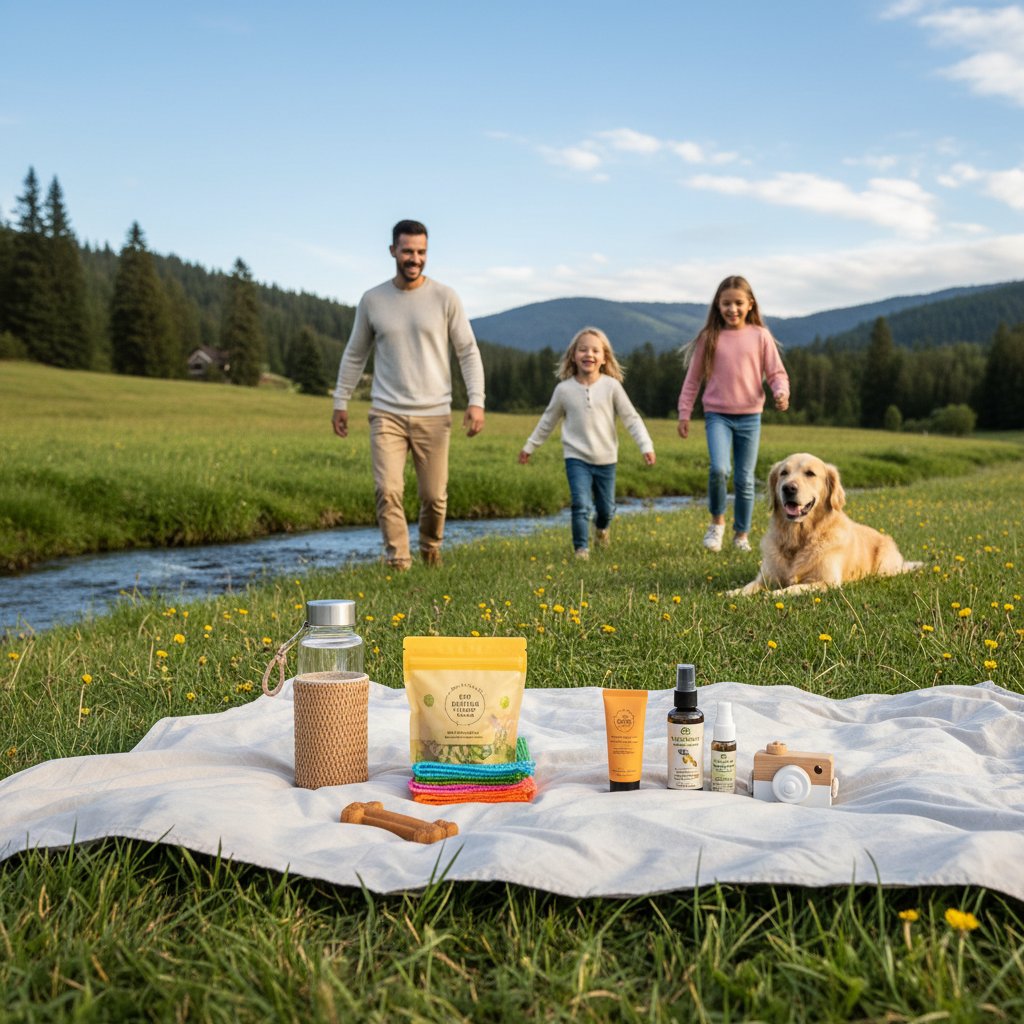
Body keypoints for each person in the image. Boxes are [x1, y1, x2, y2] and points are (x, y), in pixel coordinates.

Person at [332, 220, 485, 570]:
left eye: (421, 252)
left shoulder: (445, 297)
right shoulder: (373, 300)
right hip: (386, 413)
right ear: (393, 252)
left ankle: (431, 550)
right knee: (388, 490)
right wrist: (341, 401)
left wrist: (476, 401)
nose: (414, 258)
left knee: (434, 497)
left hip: (435, 414)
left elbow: (468, 351)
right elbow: (355, 354)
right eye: (407, 251)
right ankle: (398, 561)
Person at [518, 327, 655, 559]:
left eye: (595, 350)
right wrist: (529, 447)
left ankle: (602, 530)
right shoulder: (563, 390)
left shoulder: (612, 387)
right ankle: (581, 549)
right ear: (573, 355)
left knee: (606, 509)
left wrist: (646, 446)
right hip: (576, 458)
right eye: (582, 349)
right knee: (580, 504)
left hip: (606, 458)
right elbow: (547, 421)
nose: (588, 354)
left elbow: (631, 419)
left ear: (604, 358)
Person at [677, 275, 789, 553]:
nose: (732, 309)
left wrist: (781, 391)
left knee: (744, 478)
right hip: (717, 415)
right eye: (726, 303)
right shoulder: (709, 337)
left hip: (750, 417)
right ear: (718, 305)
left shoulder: (760, 336)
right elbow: (692, 380)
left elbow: (776, 373)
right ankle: (717, 523)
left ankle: (741, 535)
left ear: (750, 304)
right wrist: (684, 413)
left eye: (738, 303)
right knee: (719, 469)